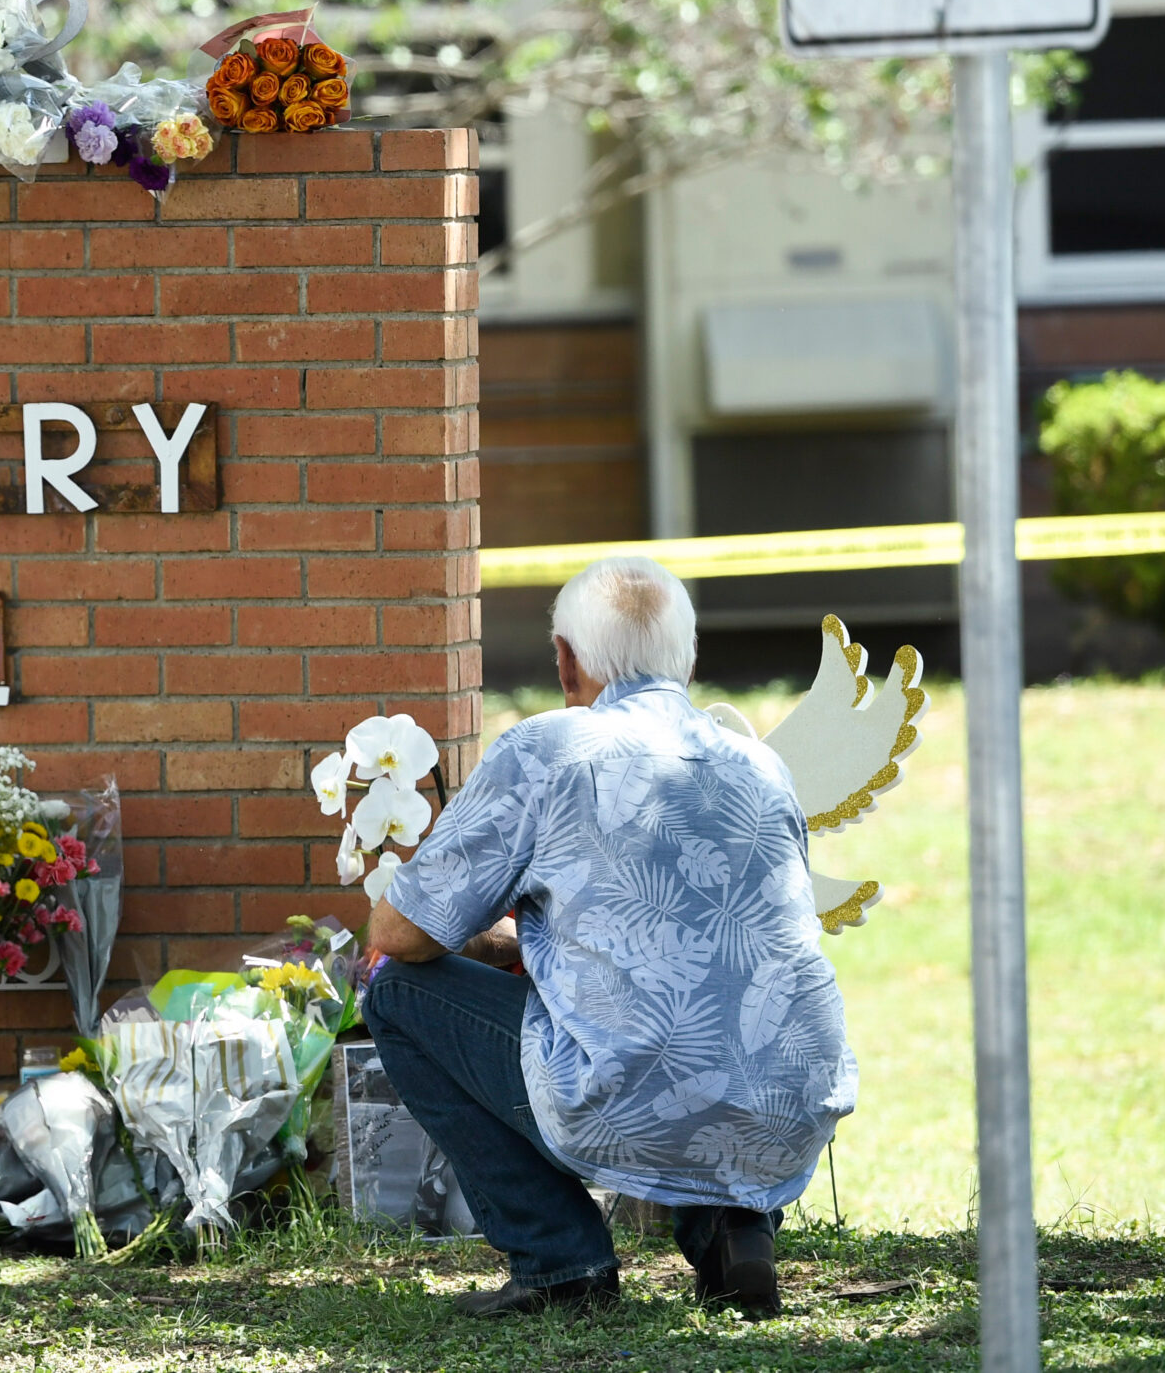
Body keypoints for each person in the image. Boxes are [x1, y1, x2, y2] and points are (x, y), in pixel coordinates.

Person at [362, 556, 856, 1319]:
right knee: (702, 1028)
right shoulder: (762, 764)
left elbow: (402, 931)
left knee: (396, 990)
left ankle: (561, 1259)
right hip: (790, 1107)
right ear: (689, 659)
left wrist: (502, 933)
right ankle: (733, 1227)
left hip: (628, 1097)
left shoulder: (547, 749)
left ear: (566, 660)